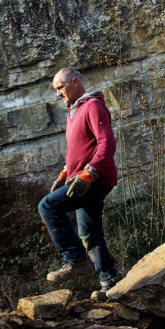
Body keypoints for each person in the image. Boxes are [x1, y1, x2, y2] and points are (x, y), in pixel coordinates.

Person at [38, 67, 120, 301]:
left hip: (93, 180)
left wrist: (89, 173)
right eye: (56, 90)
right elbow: (80, 147)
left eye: (60, 88)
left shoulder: (92, 106)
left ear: (75, 82)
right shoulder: (73, 110)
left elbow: (107, 143)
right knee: (89, 232)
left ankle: (74, 260)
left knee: (47, 206)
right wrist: (66, 171)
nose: (57, 94)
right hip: (79, 180)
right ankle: (110, 283)